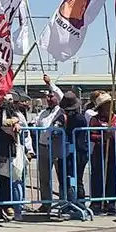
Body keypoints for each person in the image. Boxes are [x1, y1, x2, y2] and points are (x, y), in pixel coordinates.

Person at [88, 92, 116, 217]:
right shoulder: (95, 120)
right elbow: (90, 135)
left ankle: (111, 204)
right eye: (107, 104)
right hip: (99, 153)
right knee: (98, 177)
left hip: (114, 152)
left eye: (110, 104)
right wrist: (103, 136)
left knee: (112, 178)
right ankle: (97, 203)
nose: (110, 106)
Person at [34, 75, 65, 213]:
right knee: (44, 177)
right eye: (47, 97)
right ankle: (46, 203)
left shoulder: (61, 110)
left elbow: (61, 95)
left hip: (57, 146)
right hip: (43, 147)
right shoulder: (42, 114)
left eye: (51, 96)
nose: (49, 98)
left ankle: (64, 202)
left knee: (61, 175)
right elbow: (34, 127)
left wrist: (49, 83)